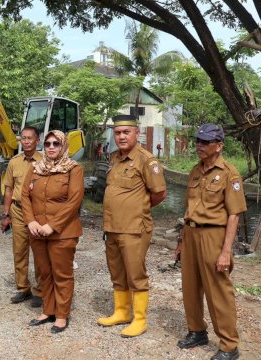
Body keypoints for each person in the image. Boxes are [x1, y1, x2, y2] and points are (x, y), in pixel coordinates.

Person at [174, 123, 246, 360]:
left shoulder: (229, 173)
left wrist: (226, 252)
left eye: (205, 142)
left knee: (218, 291)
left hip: (214, 235)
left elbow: (234, 215)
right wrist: (181, 240)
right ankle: (197, 331)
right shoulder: (195, 170)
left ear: (219, 145)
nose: (199, 146)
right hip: (192, 234)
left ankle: (228, 345)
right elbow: (188, 208)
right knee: (190, 288)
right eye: (198, 141)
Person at [97, 115, 167, 337]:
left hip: (134, 228)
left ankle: (140, 319)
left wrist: (139, 207)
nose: (122, 136)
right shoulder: (114, 158)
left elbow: (159, 193)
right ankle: (121, 311)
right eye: (118, 133)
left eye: (126, 132)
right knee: (117, 272)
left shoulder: (147, 160)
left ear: (137, 133)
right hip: (112, 227)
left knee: (136, 274)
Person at [21, 130, 84, 334]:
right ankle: (48, 310)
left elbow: (74, 202)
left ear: (63, 146)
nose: (51, 147)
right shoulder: (35, 168)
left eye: (56, 143)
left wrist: (53, 225)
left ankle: (62, 315)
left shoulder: (73, 169)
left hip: (62, 233)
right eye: (47, 143)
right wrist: (30, 221)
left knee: (62, 274)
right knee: (44, 273)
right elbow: (24, 196)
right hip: (37, 232)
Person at [0, 126, 43, 307]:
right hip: (17, 211)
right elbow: (8, 189)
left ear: (37, 140)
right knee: (19, 251)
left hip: (38, 211)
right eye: (23, 138)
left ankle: (40, 290)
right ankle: (23, 288)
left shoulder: (45, 161)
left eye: (30, 138)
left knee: (39, 251)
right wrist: (6, 214)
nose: (26, 141)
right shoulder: (14, 162)